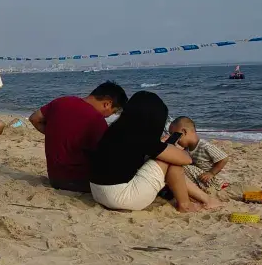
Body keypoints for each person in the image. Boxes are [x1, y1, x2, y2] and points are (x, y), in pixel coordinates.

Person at [90, 91, 221, 213]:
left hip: (98, 192)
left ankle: (202, 199)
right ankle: (186, 204)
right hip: (121, 197)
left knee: (163, 158)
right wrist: (170, 147)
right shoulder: (142, 137)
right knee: (172, 162)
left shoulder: (116, 129)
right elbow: (186, 159)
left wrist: (162, 146)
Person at [28, 81, 128, 193]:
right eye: (113, 112)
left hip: (55, 178)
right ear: (107, 104)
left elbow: (34, 118)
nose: (109, 116)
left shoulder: (61, 102)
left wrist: (55, 134)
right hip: (79, 181)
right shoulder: (96, 120)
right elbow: (105, 155)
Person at [168, 116, 230, 189]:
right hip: (198, 176)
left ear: (184, 132)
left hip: (208, 178)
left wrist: (211, 173)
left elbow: (224, 158)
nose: (174, 140)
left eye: (174, 136)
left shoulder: (205, 146)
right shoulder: (187, 148)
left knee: (182, 167)